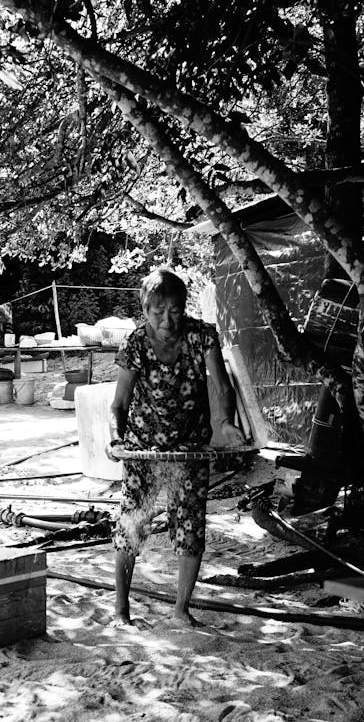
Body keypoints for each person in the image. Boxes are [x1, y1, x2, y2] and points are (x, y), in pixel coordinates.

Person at [106, 268, 245, 627]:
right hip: (143, 448)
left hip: (189, 447)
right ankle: (122, 611)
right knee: (132, 526)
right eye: (158, 312)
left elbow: (221, 386)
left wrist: (224, 423)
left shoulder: (202, 336)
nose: (167, 320)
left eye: (175, 310)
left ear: (184, 307)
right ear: (144, 309)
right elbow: (118, 405)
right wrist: (116, 440)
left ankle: (181, 609)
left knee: (190, 527)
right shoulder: (135, 344)